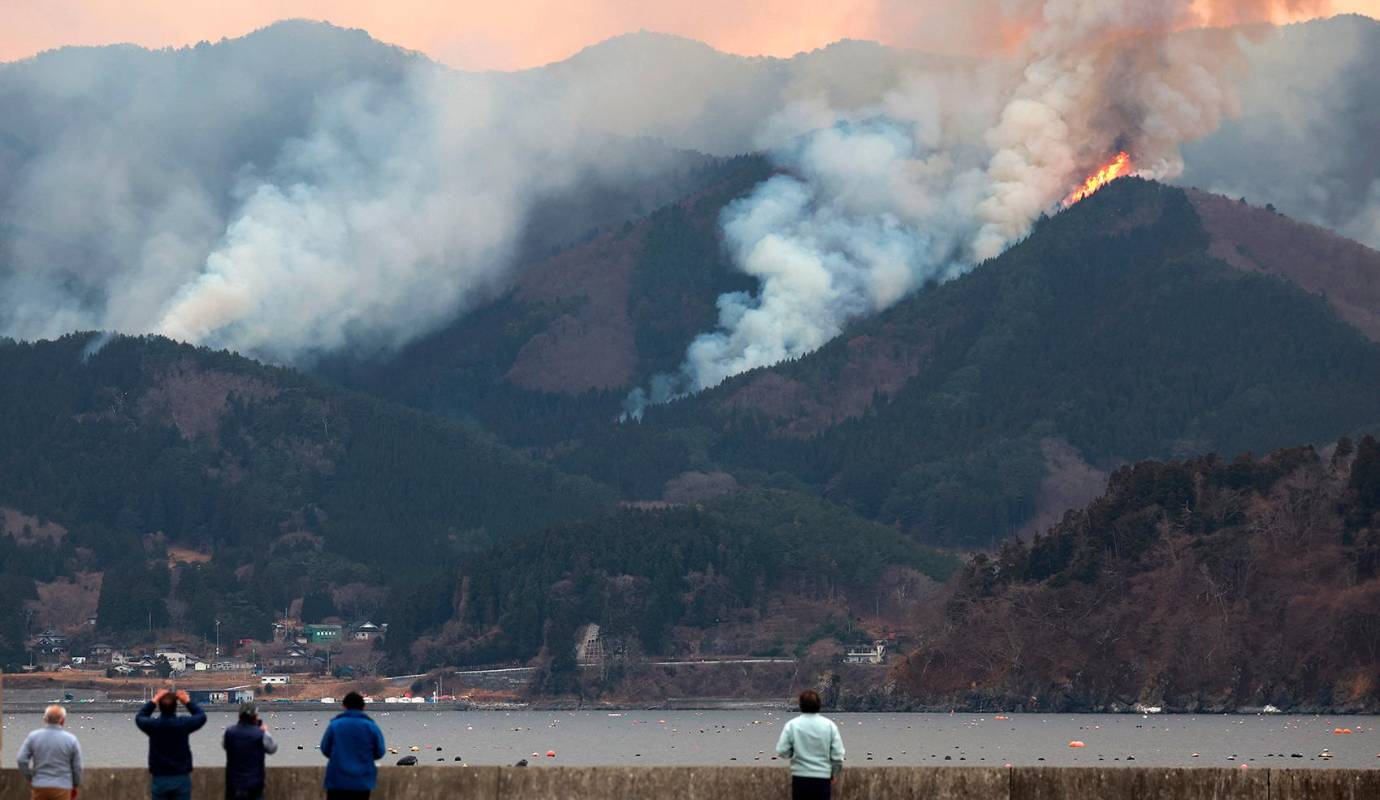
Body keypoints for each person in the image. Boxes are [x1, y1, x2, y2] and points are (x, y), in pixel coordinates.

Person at [135, 689, 208, 800]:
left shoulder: (154, 725)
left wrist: (154, 700)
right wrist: (187, 701)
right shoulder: (182, 723)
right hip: (181, 776)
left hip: (160, 777)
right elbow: (201, 716)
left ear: (159, 706)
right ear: (175, 706)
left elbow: (140, 717)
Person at [775, 690, 845, 800]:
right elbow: (838, 754)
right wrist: (833, 773)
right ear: (819, 705)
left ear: (801, 705)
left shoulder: (792, 725)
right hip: (823, 777)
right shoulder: (830, 726)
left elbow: (782, 751)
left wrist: (794, 752)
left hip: (800, 777)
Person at [320, 691, 386, 800]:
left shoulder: (335, 725)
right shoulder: (371, 726)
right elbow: (380, 751)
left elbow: (325, 748)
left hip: (337, 780)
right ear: (363, 707)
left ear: (344, 706)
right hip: (362, 781)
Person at [16, 705, 83, 800]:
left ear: (45, 719)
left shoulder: (33, 737)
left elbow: (21, 760)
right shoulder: (71, 740)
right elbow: (77, 767)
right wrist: (75, 785)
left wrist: (30, 778)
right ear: (63, 720)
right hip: (63, 786)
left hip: (40, 785)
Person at [224, 702, 278, 800]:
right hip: (254, 785)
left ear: (240, 716)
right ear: (255, 717)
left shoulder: (229, 733)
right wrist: (265, 731)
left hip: (234, 785)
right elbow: (272, 748)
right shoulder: (260, 734)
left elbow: (225, 745)